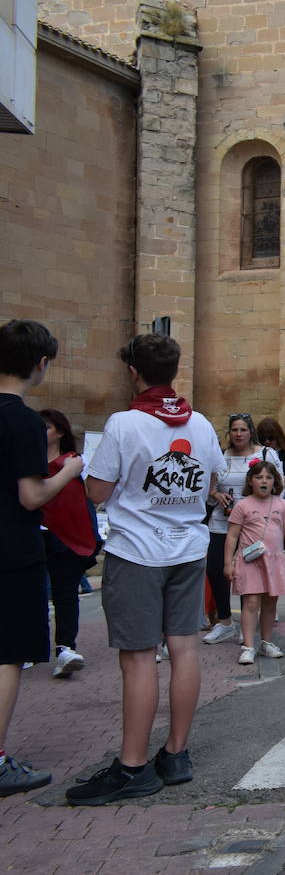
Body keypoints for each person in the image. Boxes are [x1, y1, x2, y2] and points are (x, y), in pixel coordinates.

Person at [69, 333, 226, 805]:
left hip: (137, 551)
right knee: (185, 650)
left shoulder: (123, 422)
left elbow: (96, 492)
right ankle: (176, 754)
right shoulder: (200, 423)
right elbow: (212, 478)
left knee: (138, 658)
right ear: (174, 371)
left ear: (134, 372)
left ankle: (132, 766)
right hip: (187, 549)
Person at [0, 320, 85, 797]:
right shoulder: (23, 420)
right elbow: (32, 496)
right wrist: (69, 471)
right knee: (8, 655)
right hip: (11, 550)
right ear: (42, 364)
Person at [203, 415, 281, 646]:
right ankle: (225, 621)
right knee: (216, 569)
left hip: (254, 523)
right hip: (222, 520)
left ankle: (253, 619)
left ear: (250, 432)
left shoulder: (265, 454)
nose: (238, 434)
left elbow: (278, 486)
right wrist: (216, 495)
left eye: (243, 430)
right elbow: (210, 486)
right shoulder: (220, 457)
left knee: (254, 570)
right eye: (234, 430)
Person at [40, 408, 99, 678]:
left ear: (60, 432)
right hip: (32, 535)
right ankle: (29, 647)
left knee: (65, 594)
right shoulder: (26, 461)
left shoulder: (77, 463)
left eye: (47, 427)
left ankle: (65, 648)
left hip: (66, 538)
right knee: (29, 594)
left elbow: (92, 497)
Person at [224, 461, 285, 664]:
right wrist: (227, 563)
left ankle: (267, 642)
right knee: (251, 602)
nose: (263, 481)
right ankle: (248, 646)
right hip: (250, 561)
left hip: (274, 559)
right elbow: (232, 535)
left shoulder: (282, 505)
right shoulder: (243, 505)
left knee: (270, 602)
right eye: (259, 477)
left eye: (268, 477)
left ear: (275, 481)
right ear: (250, 481)